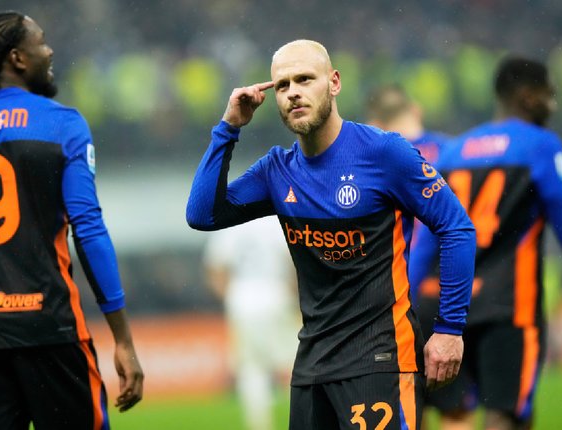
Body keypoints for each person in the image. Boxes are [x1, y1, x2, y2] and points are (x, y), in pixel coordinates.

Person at [187, 39, 476, 429]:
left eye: (305, 79)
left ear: (334, 82)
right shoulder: (277, 171)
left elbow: (456, 227)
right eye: (283, 85)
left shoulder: (384, 153)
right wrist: (228, 127)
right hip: (312, 365)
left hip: (380, 358)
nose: (293, 92)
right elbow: (202, 214)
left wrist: (450, 329)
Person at [0, 11, 144, 429]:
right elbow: (88, 229)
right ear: (18, 58)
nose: (50, 50)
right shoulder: (62, 124)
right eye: (41, 42)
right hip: (50, 328)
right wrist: (123, 339)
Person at [408, 56, 562, 430]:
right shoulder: (540, 145)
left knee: (454, 416)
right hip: (508, 306)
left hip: (447, 306)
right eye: (550, 95)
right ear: (529, 97)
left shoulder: (454, 151)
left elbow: (425, 243)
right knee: (507, 415)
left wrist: (407, 301)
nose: (554, 105)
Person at [365, 84, 469, 429]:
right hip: (450, 294)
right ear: (416, 110)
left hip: (402, 295)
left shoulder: (378, 159)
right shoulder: (454, 151)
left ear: (375, 123)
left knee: (410, 403)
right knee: (456, 411)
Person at [203, 216, 300, 430]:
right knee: (295, 361)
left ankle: (260, 424)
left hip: (241, 299)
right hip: (276, 293)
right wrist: (295, 296)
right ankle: (304, 417)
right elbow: (294, 261)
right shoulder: (277, 221)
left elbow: (215, 269)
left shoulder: (230, 225)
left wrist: (230, 297)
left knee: (251, 367)